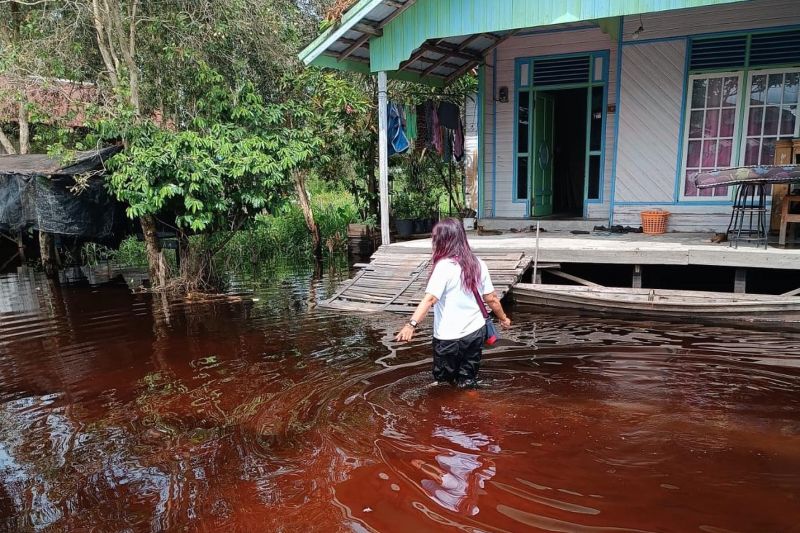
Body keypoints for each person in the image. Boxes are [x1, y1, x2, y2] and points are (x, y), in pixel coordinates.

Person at [395, 218, 511, 388]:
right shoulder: (478, 264)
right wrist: (503, 318)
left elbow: (430, 299)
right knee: (468, 380)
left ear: (442, 240)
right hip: (474, 333)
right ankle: (473, 408)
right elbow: (492, 298)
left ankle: (446, 411)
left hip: (447, 337)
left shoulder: (444, 266)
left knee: (444, 384)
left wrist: (411, 325)